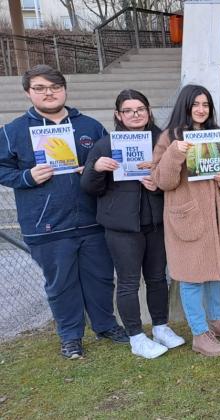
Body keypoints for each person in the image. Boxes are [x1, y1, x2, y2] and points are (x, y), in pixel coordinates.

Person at [0, 65, 128, 359]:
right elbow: (2, 169)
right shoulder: (13, 131)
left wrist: (95, 170)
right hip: (46, 224)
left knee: (101, 278)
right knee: (61, 284)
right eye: (40, 88)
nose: (49, 93)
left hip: (92, 219)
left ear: (64, 89)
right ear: (28, 92)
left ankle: (105, 325)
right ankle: (70, 336)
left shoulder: (89, 126)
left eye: (54, 87)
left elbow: (112, 158)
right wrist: (27, 177)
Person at [80, 89, 185, 359]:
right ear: (118, 115)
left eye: (140, 109)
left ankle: (161, 327)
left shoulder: (164, 140)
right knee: (128, 282)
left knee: (158, 278)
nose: (135, 115)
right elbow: (89, 188)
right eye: (128, 110)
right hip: (122, 226)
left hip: (156, 222)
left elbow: (178, 181)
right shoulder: (105, 144)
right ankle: (136, 336)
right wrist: (95, 168)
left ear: (148, 111)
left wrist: (157, 185)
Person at [152, 85, 220, 356]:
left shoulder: (215, 135)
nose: (201, 109)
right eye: (196, 104)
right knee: (191, 278)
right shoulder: (169, 138)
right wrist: (175, 152)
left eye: (206, 105)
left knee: (216, 274)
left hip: (215, 218)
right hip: (188, 219)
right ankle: (200, 333)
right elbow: (162, 181)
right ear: (185, 106)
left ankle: (216, 319)